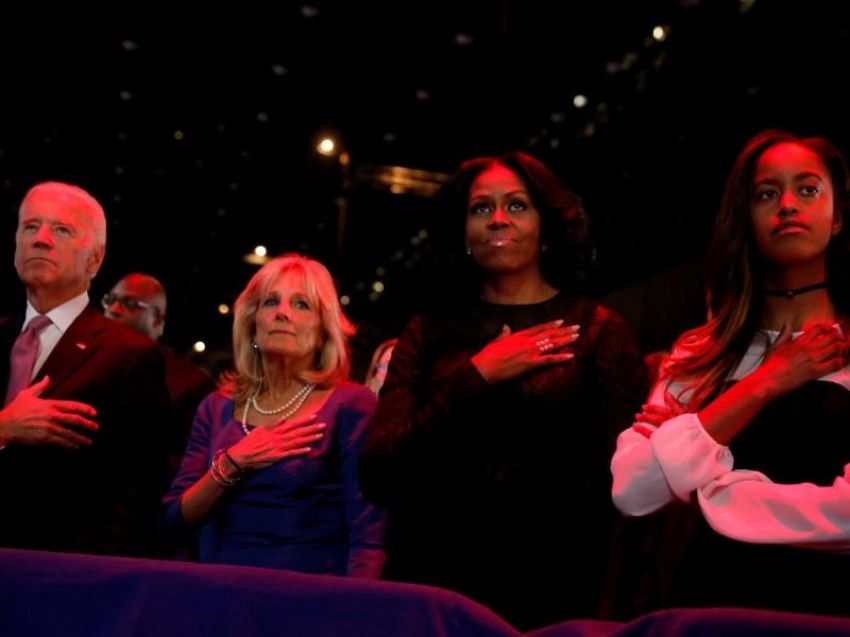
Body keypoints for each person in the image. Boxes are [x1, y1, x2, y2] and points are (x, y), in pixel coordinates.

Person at [359, 151, 647, 629]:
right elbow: (381, 472)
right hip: (432, 585)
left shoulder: (596, 329)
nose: (497, 219)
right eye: (480, 208)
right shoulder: (428, 330)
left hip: (553, 590)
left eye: (516, 205)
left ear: (545, 225)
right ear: (464, 233)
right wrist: (477, 375)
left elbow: (618, 489)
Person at [611, 130, 850, 617]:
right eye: (767, 193)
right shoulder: (700, 352)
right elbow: (634, 492)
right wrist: (766, 383)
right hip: (707, 608)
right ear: (746, 218)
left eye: (807, 189)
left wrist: (711, 487)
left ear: (838, 215)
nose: (787, 204)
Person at [162, 253, 385, 577]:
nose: (282, 313)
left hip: (310, 598)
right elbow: (173, 519)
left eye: (301, 305)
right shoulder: (215, 407)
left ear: (324, 330)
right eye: (270, 302)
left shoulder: (350, 405)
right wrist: (233, 462)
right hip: (220, 591)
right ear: (252, 326)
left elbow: (369, 536)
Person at [0, 181, 171, 556]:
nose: (40, 239)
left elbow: (140, 491)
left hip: (65, 577)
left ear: (95, 259)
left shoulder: (129, 355)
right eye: (30, 226)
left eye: (61, 230)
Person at [103, 273, 215, 468]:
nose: (114, 309)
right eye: (110, 300)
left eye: (130, 303)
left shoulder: (190, 383)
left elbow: (187, 460)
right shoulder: (86, 363)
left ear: (157, 318)